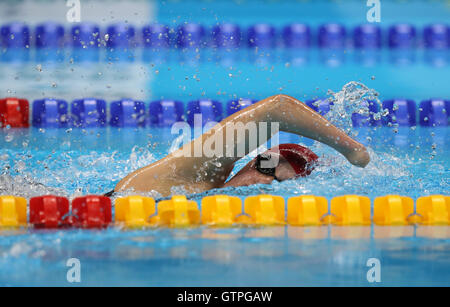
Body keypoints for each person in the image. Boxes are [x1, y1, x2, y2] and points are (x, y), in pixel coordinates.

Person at [107, 94, 370, 197]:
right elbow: (277, 109)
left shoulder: (215, 198)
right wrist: (352, 151)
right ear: (255, 162)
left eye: (275, 187)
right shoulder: (201, 173)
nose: (264, 185)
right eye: (268, 173)